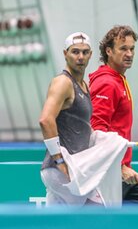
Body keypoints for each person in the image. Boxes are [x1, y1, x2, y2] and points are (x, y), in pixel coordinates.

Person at [39, 32, 102, 205]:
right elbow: (45, 120)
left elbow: (81, 126)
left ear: (90, 55)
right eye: (75, 52)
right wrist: (59, 160)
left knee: (56, 222)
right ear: (65, 54)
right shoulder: (63, 82)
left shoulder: (83, 86)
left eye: (84, 52)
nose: (80, 57)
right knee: (98, 212)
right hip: (62, 169)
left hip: (72, 168)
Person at [89, 25, 138, 205]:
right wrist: (120, 167)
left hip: (119, 172)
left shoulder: (119, 79)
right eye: (123, 49)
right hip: (109, 173)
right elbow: (96, 130)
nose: (129, 54)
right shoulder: (107, 83)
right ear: (109, 51)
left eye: (132, 49)